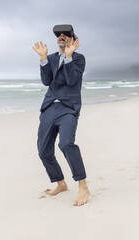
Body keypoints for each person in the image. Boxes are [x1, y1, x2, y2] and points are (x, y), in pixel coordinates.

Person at [32, 25, 90, 206]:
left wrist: (69, 57)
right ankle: (61, 183)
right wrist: (43, 59)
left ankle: (82, 186)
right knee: (43, 151)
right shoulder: (50, 58)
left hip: (68, 108)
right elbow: (46, 81)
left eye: (66, 35)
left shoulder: (79, 59)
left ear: (73, 40)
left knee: (66, 143)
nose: (61, 37)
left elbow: (72, 80)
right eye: (59, 35)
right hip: (49, 108)